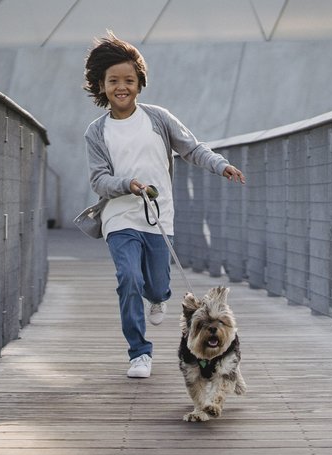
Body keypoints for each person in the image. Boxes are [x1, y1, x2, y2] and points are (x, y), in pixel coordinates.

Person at [82, 31, 245, 379]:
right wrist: (128, 184)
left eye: (128, 80)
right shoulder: (96, 132)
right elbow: (99, 180)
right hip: (119, 217)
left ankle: (159, 296)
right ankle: (139, 353)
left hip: (157, 218)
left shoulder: (158, 119)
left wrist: (220, 165)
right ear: (101, 85)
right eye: (113, 81)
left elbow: (192, 148)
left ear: (140, 83)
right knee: (128, 279)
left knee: (155, 285)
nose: (121, 87)